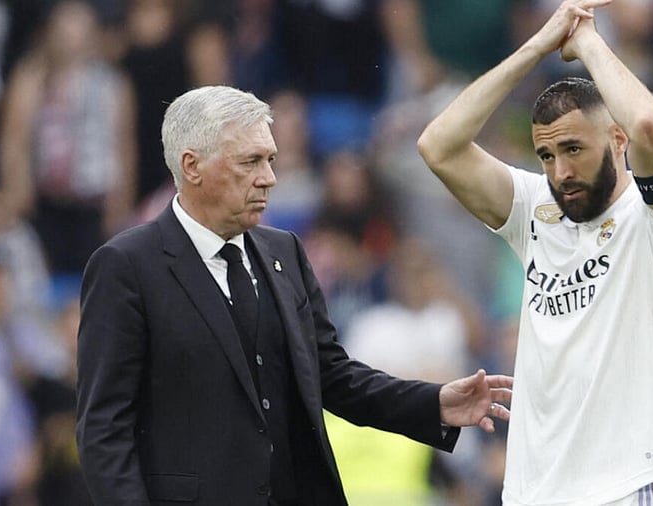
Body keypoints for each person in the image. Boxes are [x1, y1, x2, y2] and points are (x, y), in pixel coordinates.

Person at [75, 85, 513, 506]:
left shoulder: (284, 251)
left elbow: (331, 377)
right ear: (192, 166)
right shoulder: (126, 266)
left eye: (270, 160)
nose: (269, 179)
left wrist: (432, 402)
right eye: (250, 162)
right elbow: (103, 429)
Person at [416, 0, 653, 503]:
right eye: (546, 155)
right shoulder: (537, 212)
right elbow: (438, 145)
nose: (560, 173)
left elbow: (649, 129)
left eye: (573, 149)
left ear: (616, 141)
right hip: (532, 490)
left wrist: (588, 43)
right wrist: (537, 47)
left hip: (622, 486)